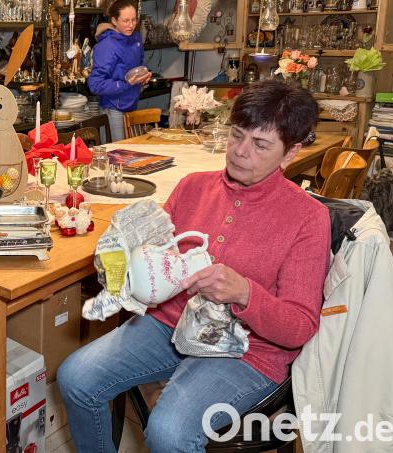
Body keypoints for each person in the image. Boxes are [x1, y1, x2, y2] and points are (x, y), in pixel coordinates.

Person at [58, 80, 331, 452]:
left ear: (290, 153)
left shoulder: (307, 217)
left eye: (260, 145)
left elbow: (300, 326)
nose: (239, 152)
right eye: (236, 135)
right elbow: (150, 256)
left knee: (169, 431)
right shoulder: (193, 186)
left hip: (248, 350)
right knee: (76, 377)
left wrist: (245, 294)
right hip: (170, 324)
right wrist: (126, 254)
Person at [88, 0, 152, 142]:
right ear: (114, 21)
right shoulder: (107, 46)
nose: (131, 25)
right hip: (113, 109)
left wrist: (143, 76)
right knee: (117, 155)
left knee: (130, 153)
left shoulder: (135, 38)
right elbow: (95, 84)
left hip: (132, 103)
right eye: (126, 21)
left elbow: (139, 63)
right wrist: (125, 83)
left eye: (134, 20)